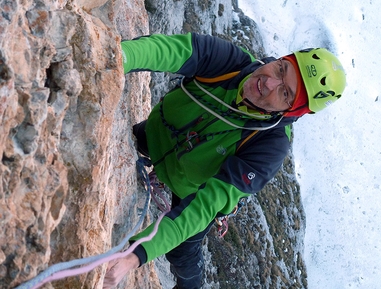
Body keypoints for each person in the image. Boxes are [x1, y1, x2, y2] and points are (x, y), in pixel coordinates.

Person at [102, 32, 346, 288]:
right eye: (281, 68)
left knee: (182, 253)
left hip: (189, 192)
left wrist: (134, 255)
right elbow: (167, 50)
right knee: (132, 139)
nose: (269, 82)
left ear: (293, 111)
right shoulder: (231, 65)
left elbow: (204, 207)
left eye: (285, 93)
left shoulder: (269, 146)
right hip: (154, 137)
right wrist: (120, 56)